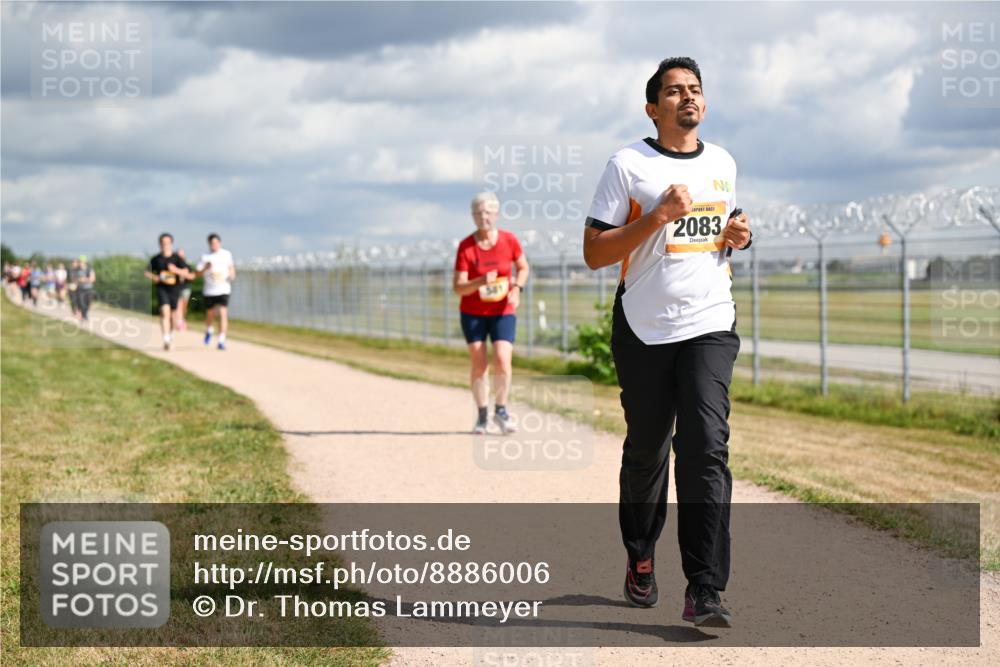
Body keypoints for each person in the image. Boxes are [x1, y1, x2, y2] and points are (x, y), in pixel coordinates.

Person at [582, 57, 752, 628]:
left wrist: (737, 236)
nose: (688, 97)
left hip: (710, 322)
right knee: (648, 449)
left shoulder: (723, 162)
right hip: (645, 327)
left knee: (706, 447)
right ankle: (640, 552)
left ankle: (705, 588)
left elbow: (716, 234)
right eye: (675, 91)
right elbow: (595, 252)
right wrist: (656, 216)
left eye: (696, 89)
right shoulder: (628, 165)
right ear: (653, 108)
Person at [453, 192, 530, 435]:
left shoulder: (509, 240)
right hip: (473, 312)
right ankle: (482, 414)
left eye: (487, 212)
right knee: (479, 363)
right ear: (473, 216)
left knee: (502, 360)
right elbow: (458, 287)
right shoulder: (466, 247)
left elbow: (523, 267)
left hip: (503, 310)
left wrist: (517, 288)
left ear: (496, 214)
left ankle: (502, 410)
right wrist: (479, 282)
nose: (483, 216)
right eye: (478, 212)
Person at [144, 234, 189, 350]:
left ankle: (171, 334)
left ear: (171, 244)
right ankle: (166, 339)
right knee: (164, 312)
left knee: (173, 315)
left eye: (167, 242)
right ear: (160, 244)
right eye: (163, 243)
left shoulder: (177, 258)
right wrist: (156, 278)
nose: (165, 245)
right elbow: (146, 272)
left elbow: (186, 272)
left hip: (175, 289)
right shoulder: (156, 259)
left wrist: (175, 270)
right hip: (162, 288)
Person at [196, 233, 235, 351]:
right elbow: (197, 274)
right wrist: (205, 268)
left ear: (220, 243)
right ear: (209, 244)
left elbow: (231, 268)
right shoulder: (205, 257)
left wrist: (232, 275)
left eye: (216, 242)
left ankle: (221, 340)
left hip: (224, 289)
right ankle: (209, 329)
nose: (215, 245)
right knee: (210, 314)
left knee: (223, 313)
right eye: (212, 243)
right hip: (210, 290)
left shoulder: (226, 254)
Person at [74, 256, 96, 321]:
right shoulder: (77, 270)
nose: (80, 263)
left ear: (85, 262)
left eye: (82, 262)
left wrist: (84, 280)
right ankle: (84, 315)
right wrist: (78, 280)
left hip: (89, 288)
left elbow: (93, 279)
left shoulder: (89, 269)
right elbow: (74, 279)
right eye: (80, 262)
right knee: (82, 302)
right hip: (80, 289)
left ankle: (85, 313)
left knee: (88, 303)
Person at [176, 248, 191, 331]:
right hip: (177, 288)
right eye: (179, 254)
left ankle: (182, 320)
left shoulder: (186, 264)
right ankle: (179, 323)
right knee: (179, 305)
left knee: (184, 307)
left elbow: (191, 276)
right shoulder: (174, 264)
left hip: (186, 288)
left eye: (181, 254)